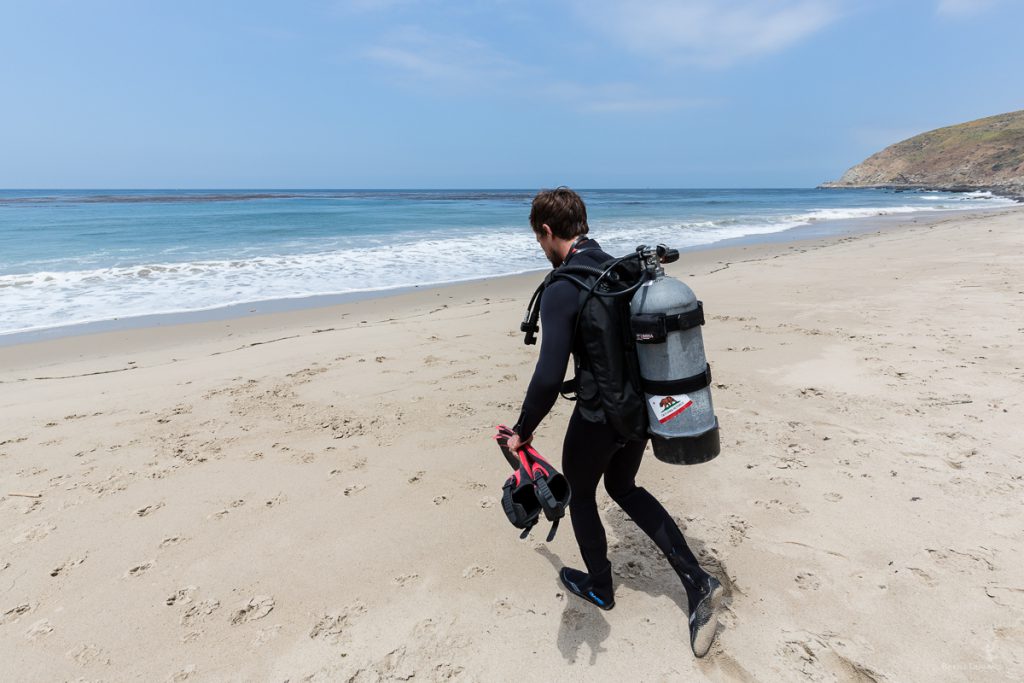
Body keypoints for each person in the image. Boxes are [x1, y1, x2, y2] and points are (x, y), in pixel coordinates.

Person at [505, 187, 725, 657]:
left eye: (538, 240)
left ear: (547, 231)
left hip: (599, 416)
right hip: (642, 409)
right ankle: (697, 579)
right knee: (623, 487)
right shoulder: (622, 270)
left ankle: (600, 586)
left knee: (582, 493)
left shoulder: (564, 286)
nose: (541, 249)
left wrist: (523, 428)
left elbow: (548, 375)